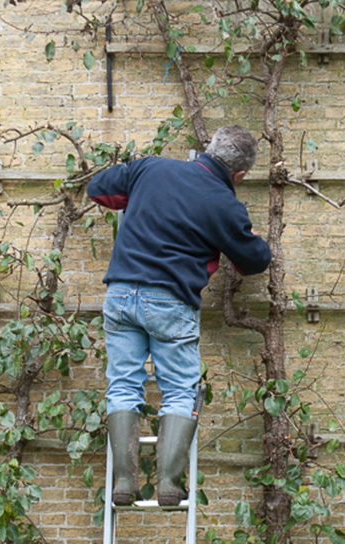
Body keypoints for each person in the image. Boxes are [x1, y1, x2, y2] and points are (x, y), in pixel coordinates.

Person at [87, 125, 271, 505]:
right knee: (180, 390)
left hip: (120, 294)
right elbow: (255, 261)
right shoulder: (223, 203)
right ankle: (169, 484)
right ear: (239, 175)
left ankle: (124, 482)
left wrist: (137, 200)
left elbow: (99, 189)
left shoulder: (148, 169)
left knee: (123, 384)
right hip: (169, 302)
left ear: (209, 147)